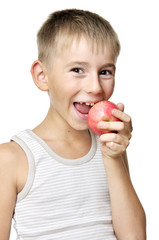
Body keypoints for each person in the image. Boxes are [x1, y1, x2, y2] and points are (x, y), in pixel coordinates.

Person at [0, 9, 146, 240]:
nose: (95, 87)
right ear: (42, 76)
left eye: (105, 71)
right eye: (77, 70)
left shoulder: (110, 148)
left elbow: (134, 236)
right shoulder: (11, 158)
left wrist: (113, 157)